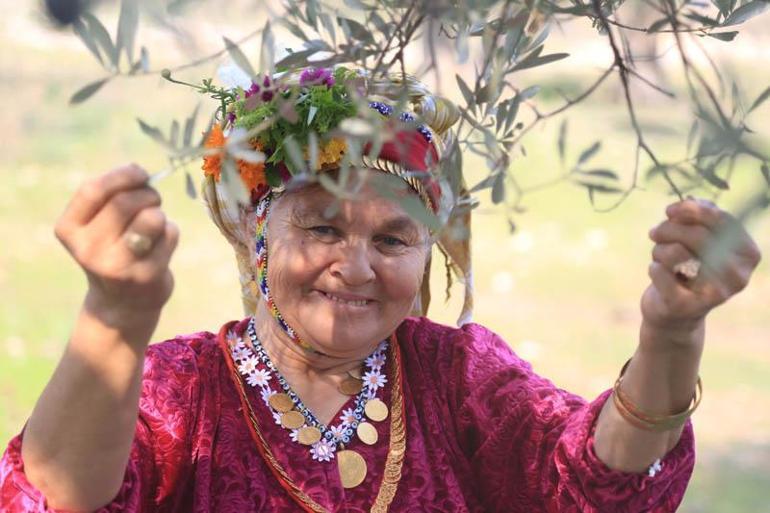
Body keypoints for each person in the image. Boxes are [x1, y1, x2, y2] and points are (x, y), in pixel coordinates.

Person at [0, 67, 762, 513]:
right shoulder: (182, 391)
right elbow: (50, 499)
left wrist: (669, 333)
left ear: (429, 249)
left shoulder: (457, 377)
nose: (356, 268)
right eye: (322, 228)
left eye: (392, 238)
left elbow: (595, 484)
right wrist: (114, 318)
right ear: (256, 233)